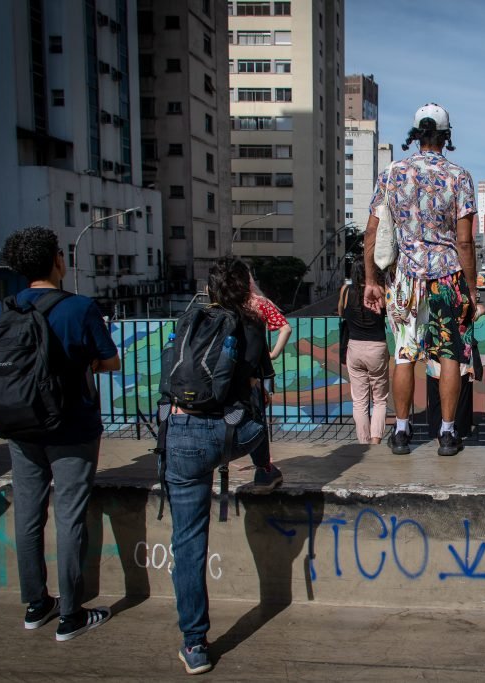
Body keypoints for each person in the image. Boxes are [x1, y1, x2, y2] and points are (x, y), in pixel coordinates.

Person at [0, 226, 120, 641]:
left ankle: (36, 604)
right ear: (57, 261)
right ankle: (71, 614)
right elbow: (110, 362)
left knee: (28, 516)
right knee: (69, 517)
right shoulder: (79, 308)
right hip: (72, 428)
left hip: (21, 427)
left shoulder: (9, 308)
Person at [163, 257, 283, 675]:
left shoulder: (190, 319)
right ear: (245, 287)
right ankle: (265, 470)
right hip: (232, 437)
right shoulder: (248, 324)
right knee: (258, 424)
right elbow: (258, 384)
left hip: (181, 437)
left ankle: (194, 645)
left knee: (188, 544)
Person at [362, 102, 479, 456]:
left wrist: (371, 280)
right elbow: (464, 240)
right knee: (449, 355)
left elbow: (372, 232)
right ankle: (446, 433)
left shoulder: (392, 174)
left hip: (404, 279)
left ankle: (400, 431)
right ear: (446, 136)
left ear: (416, 134)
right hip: (447, 277)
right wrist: (472, 291)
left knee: (403, 355)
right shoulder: (459, 176)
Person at [339, 259, 390, 444]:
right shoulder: (381, 292)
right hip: (377, 346)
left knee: (359, 401)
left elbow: (341, 313)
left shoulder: (346, 292)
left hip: (354, 346)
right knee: (380, 400)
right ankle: (376, 441)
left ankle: (363, 443)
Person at [248, 275, 292, 360]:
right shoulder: (260, 302)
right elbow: (286, 329)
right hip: (255, 359)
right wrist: (273, 355)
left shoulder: (226, 303)